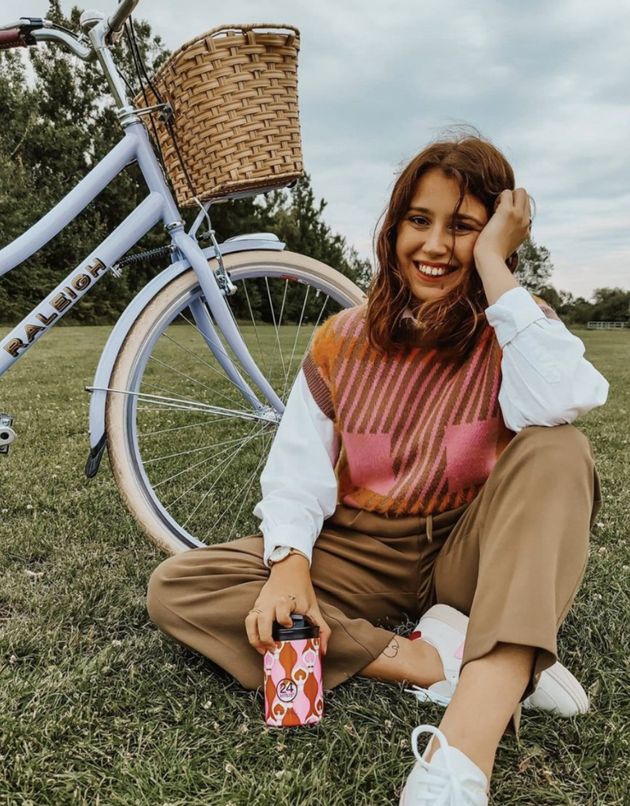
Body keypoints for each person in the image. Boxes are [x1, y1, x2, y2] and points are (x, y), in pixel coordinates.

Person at [146, 131, 608, 804]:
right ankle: (433, 658)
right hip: (361, 552)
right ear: (392, 228)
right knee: (180, 586)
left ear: (493, 241)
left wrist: (494, 269)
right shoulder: (343, 340)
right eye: (418, 221)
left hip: (467, 551)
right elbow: (296, 471)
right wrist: (289, 566)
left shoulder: (512, 326)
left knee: (558, 449)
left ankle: (460, 759)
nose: (434, 245)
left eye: (464, 227)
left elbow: (568, 397)